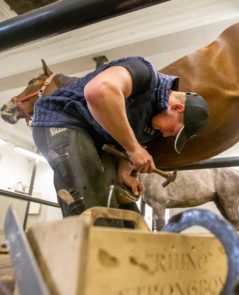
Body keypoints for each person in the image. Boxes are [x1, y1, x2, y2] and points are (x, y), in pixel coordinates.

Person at [31, 56, 210, 219]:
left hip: (94, 138)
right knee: (90, 201)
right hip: (62, 118)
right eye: (174, 130)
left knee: (121, 209)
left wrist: (125, 174)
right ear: (177, 108)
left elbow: (129, 146)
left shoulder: (153, 126)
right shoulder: (144, 73)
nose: (167, 135)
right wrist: (134, 148)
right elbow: (99, 91)